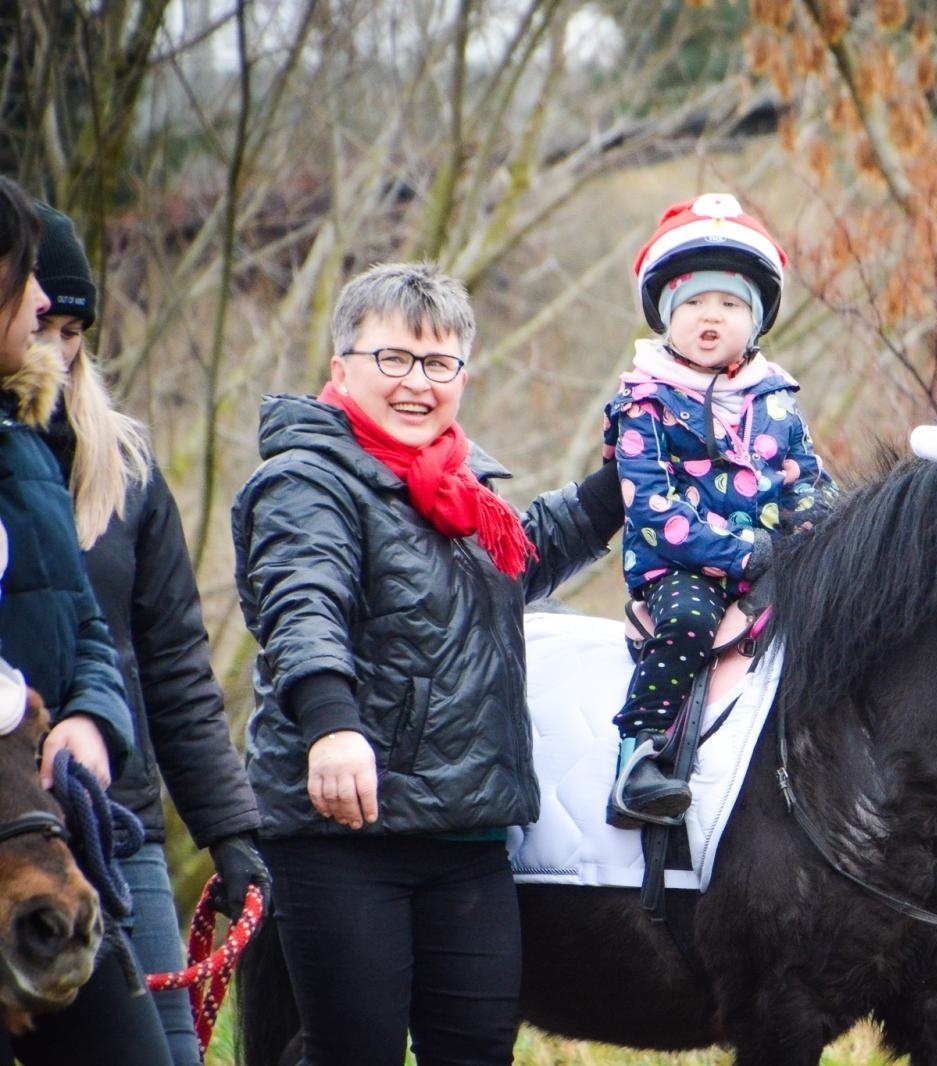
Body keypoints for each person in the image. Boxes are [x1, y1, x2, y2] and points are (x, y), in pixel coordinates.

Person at [233, 261, 624, 1065]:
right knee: (356, 1053)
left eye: (438, 364)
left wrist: (619, 485)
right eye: (394, 360)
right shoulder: (306, 481)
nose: (418, 383)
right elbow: (301, 605)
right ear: (341, 368)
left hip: (467, 834)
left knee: (476, 1052)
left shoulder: (457, 489)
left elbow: (521, 557)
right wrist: (331, 726)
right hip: (344, 835)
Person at [30, 201, 268, 1066]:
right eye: (39, 322)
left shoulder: (125, 470)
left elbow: (172, 667)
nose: (55, 348)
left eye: (72, 327)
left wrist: (230, 834)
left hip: (117, 834)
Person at [0, 177, 170, 1064]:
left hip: (49, 823)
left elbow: (90, 632)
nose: (41, 306)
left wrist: (95, 720)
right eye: (27, 280)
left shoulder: (20, 446)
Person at [603, 193, 831, 826]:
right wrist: (741, 553)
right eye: (694, 303)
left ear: (755, 320)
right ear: (666, 316)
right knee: (688, 625)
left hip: (770, 566)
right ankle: (638, 757)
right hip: (682, 564)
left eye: (730, 304)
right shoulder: (643, 404)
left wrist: (814, 535)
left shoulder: (778, 400)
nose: (711, 317)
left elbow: (806, 484)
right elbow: (652, 507)